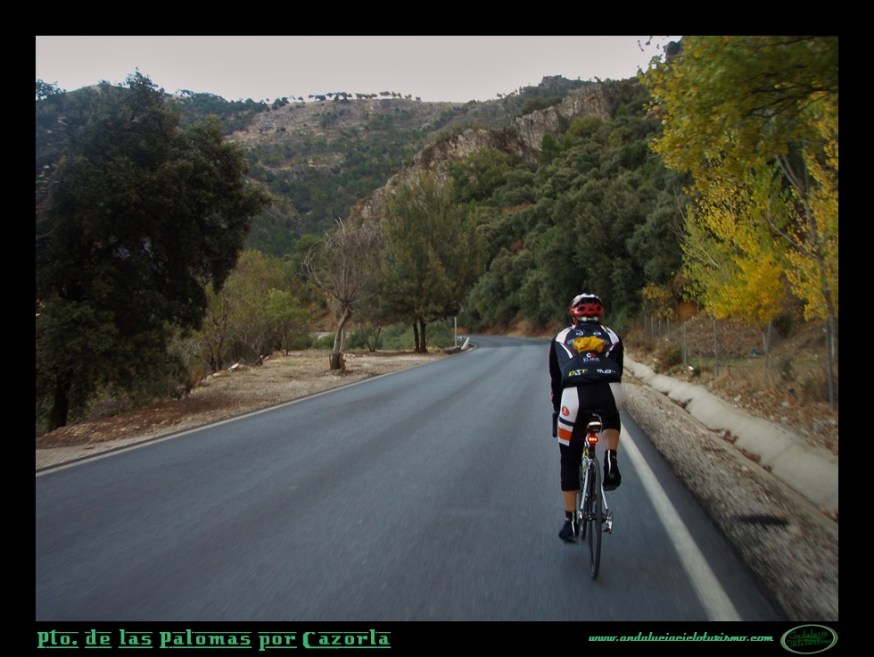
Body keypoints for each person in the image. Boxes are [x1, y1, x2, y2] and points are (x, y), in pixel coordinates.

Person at [548, 291, 624, 543]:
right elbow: (619, 371)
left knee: (569, 460)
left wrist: (557, 411)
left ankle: (570, 522)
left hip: (574, 397)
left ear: (573, 315)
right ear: (600, 315)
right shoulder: (612, 336)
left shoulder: (561, 337)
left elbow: (556, 382)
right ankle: (611, 458)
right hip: (611, 392)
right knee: (611, 414)